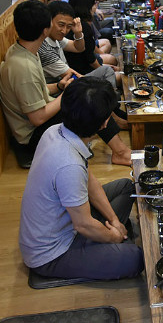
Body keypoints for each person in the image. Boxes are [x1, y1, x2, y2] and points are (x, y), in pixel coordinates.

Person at [19, 76, 144, 280]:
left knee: (125, 187)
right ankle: (103, 244)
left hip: (67, 224)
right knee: (136, 258)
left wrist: (113, 219)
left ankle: (103, 240)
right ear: (104, 123)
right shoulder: (69, 164)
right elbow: (83, 224)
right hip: (50, 254)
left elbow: (89, 180)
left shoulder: (56, 131)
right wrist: (114, 236)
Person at [0, 0, 131, 166]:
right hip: (32, 137)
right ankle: (121, 153)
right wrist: (67, 93)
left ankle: (119, 147)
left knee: (89, 93)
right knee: (89, 100)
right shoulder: (24, 66)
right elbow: (37, 118)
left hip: (40, 118)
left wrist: (59, 86)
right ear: (45, 29)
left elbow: (36, 89)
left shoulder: (23, 50)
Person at [65, 0, 120, 75]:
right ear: (86, 7)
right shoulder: (82, 26)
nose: (96, 6)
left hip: (80, 64)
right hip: (82, 70)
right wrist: (104, 71)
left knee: (115, 65)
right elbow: (91, 61)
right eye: (94, 4)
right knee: (118, 72)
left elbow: (89, 51)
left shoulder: (75, 21)